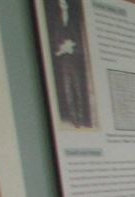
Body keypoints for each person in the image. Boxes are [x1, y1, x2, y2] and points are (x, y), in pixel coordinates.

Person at [44, 0, 92, 128]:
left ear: (67, 5)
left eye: (64, 4)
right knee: (67, 89)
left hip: (74, 59)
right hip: (64, 60)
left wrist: (72, 47)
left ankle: (81, 118)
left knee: (77, 88)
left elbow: (81, 43)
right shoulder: (57, 23)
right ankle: (74, 118)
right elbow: (54, 44)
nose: (63, 6)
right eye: (61, 4)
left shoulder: (74, 21)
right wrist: (60, 49)